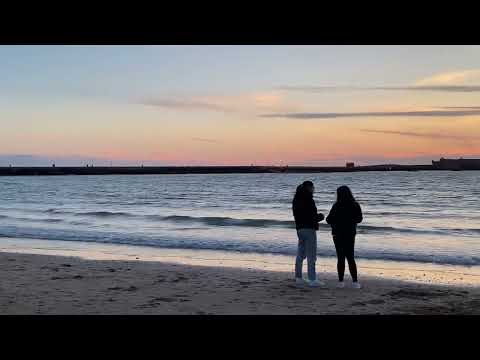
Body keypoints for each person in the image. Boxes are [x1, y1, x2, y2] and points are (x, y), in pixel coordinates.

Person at [326, 185, 363, 289]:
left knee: (340, 257)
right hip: (350, 233)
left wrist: (337, 221)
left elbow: (328, 220)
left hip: (337, 234)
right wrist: (351, 221)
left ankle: (341, 282)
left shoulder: (336, 205)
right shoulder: (355, 205)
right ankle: (355, 282)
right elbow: (359, 219)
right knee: (350, 257)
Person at [292, 181, 325, 287]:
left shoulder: (296, 200)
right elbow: (311, 216)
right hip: (309, 229)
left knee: (301, 254)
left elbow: (301, 215)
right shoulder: (308, 200)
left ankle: (298, 277)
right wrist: (320, 216)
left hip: (299, 229)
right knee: (311, 255)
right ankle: (312, 279)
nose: (313, 189)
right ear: (308, 188)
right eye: (312, 187)